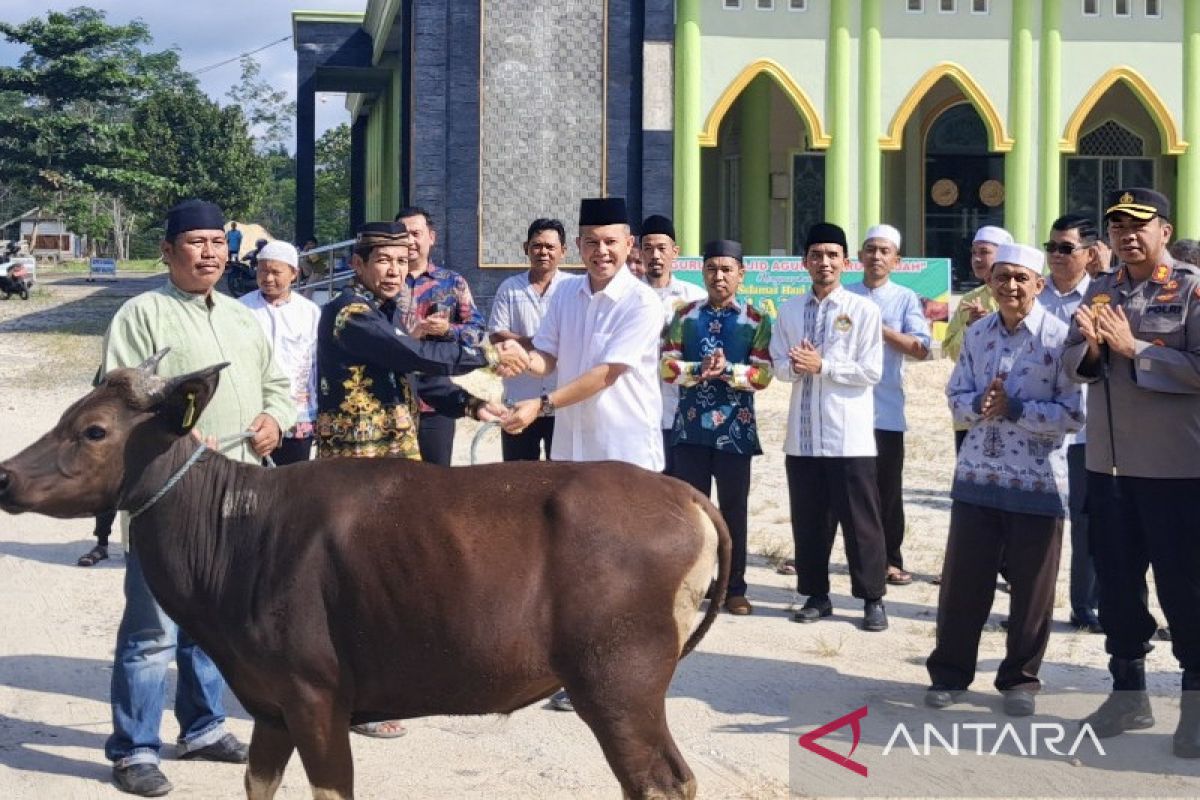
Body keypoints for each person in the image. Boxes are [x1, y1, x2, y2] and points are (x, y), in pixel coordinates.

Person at [99, 199, 294, 797]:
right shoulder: (142, 314)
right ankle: (134, 747)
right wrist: (175, 434)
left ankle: (204, 727)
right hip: (168, 504)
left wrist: (273, 420)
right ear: (167, 251)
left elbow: (279, 386)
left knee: (216, 625)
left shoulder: (242, 318)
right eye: (195, 242)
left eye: (217, 242)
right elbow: (116, 402)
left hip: (238, 496)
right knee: (151, 630)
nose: (209, 252)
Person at [498, 197, 665, 711]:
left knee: (626, 568)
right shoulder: (567, 293)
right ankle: (579, 670)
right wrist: (520, 359)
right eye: (591, 243)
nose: (601, 252)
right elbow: (549, 357)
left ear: (628, 245)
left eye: (611, 242)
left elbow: (604, 373)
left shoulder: (642, 302)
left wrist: (542, 401)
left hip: (624, 451)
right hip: (573, 451)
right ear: (577, 246)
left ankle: (628, 672)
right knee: (578, 565)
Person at [1064, 188, 1200, 757]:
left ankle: (1193, 705)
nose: (1127, 234)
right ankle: (1128, 694)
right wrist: (1094, 349)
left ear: (1165, 231)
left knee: (1185, 590)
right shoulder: (1102, 288)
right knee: (1116, 587)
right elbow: (1073, 362)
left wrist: (1135, 347)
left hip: (1174, 470)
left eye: (1139, 224)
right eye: (1117, 225)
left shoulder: (1191, 288)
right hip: (1109, 466)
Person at [925, 243, 1083, 718]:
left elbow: (1074, 414)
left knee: (1033, 589)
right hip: (977, 476)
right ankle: (950, 674)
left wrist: (1018, 410)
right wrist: (980, 406)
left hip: (1039, 483)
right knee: (963, 582)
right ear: (990, 283)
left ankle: (1020, 680)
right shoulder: (977, 335)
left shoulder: (1061, 339)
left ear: (1039, 284)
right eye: (1002, 277)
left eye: (1021, 278)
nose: (1010, 287)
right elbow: (955, 395)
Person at [769, 222, 888, 632]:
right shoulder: (787, 311)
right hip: (802, 439)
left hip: (848, 436)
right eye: (816, 255)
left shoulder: (863, 311)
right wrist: (796, 366)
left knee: (861, 522)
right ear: (804, 262)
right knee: (808, 521)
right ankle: (815, 595)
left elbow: (872, 370)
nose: (824, 262)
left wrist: (825, 366)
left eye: (832, 255)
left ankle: (872, 597)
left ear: (846, 262)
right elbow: (778, 367)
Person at [661, 239, 772, 615]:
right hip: (690, 428)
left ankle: (734, 586)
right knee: (691, 512)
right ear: (703, 272)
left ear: (741, 274)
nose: (719, 276)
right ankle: (694, 584)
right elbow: (666, 367)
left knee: (733, 510)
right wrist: (697, 370)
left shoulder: (756, 320)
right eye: (712, 269)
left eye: (727, 269)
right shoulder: (685, 316)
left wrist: (728, 371)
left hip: (735, 432)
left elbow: (763, 374)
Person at [846, 224, 931, 587]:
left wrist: (878, 328)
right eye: (870, 249)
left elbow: (922, 348)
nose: (877, 256)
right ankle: (815, 555)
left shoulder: (905, 299)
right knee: (839, 487)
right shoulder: (843, 295)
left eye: (884, 251)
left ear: (896, 260)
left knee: (886, 489)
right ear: (859, 256)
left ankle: (890, 559)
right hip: (844, 408)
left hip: (886, 410)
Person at [1038, 214, 1100, 633]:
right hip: (1038, 425)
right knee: (1036, 521)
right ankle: (1031, 604)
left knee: (1086, 522)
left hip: (1086, 430)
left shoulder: (1102, 297)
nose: (1056, 256)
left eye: (1066, 248)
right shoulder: (1031, 295)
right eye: (1052, 247)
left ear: (1089, 253)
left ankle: (1085, 605)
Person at [393, 206, 487, 466]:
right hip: (392, 402)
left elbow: (478, 334)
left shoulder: (451, 282)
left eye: (416, 233)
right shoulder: (385, 282)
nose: (410, 241)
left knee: (436, 483)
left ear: (431, 237)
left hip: (437, 402)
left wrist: (448, 330)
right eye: (403, 234)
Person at [487, 219, 569, 461]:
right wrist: (543, 342)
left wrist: (530, 344)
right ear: (526, 248)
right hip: (518, 399)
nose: (543, 252)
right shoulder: (510, 288)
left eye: (550, 247)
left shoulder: (572, 288)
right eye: (537, 246)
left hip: (561, 403)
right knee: (518, 476)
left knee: (561, 476)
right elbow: (496, 333)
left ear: (563, 251)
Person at [239, 240, 321, 465]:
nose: (267, 278)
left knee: (293, 481)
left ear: (293, 273)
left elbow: (317, 362)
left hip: (299, 412)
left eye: (276, 272)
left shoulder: (310, 312)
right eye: (262, 271)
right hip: (253, 412)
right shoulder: (240, 309)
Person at [641, 214, 706, 473]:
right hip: (641, 413)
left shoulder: (695, 298)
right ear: (639, 252)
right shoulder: (628, 297)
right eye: (648, 248)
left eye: (662, 248)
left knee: (684, 490)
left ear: (674, 252)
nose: (655, 255)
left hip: (684, 411)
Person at [942, 226, 1014, 449]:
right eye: (973, 253)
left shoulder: (1022, 296)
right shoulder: (970, 299)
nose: (977, 259)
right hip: (973, 403)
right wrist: (972, 327)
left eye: (984, 252)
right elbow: (951, 351)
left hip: (1013, 403)